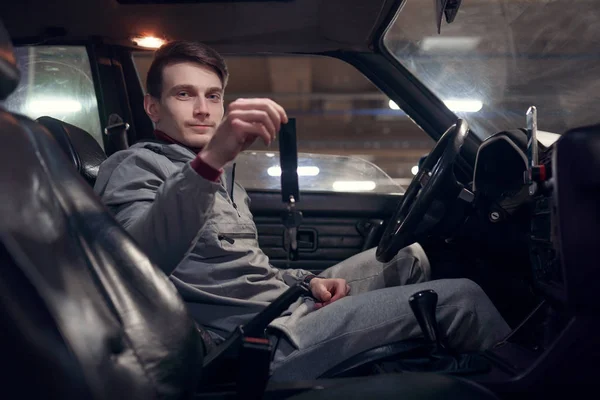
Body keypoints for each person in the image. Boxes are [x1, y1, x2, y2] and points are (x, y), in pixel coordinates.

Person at [94, 40, 511, 381]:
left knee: (409, 258)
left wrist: (306, 281)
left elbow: (247, 268)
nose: (203, 109)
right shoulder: (136, 166)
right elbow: (138, 264)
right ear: (153, 108)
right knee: (462, 300)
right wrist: (211, 160)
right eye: (184, 94)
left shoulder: (221, 177)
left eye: (213, 96)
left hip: (286, 303)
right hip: (264, 339)